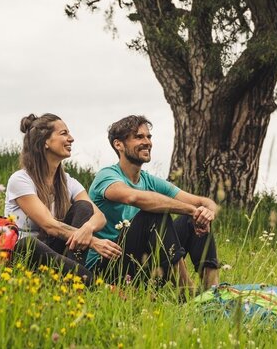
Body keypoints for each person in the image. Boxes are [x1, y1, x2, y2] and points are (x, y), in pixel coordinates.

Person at [87, 115, 220, 291]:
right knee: (152, 214)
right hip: (107, 267)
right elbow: (134, 198)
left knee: (193, 221)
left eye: (148, 137)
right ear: (118, 144)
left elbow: (204, 201)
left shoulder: (148, 180)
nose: (147, 142)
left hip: (141, 262)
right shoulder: (107, 176)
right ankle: (187, 294)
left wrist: (206, 213)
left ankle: (213, 293)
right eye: (139, 137)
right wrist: (192, 210)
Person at [6, 113, 122, 284]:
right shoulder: (21, 180)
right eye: (64, 133)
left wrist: (88, 228)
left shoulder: (69, 182)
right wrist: (93, 241)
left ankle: (70, 281)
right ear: (45, 141)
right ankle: (99, 286)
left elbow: (100, 217)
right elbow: (49, 225)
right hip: (26, 256)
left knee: (83, 207)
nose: (71, 138)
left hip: (57, 256)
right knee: (28, 244)